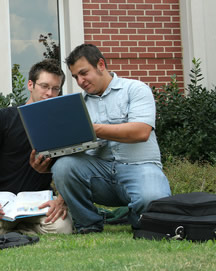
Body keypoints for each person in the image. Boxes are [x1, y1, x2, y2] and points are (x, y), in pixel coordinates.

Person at [30, 44, 171, 234]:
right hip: (101, 174)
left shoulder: (135, 89)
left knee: (152, 200)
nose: (80, 81)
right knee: (63, 165)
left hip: (140, 167)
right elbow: (73, 156)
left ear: (101, 65)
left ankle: (135, 218)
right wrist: (47, 168)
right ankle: (88, 224)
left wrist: (92, 129)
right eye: (75, 77)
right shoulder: (78, 105)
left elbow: (141, 132)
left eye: (84, 73)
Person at [0, 59, 73, 238]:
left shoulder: (62, 123)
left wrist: (61, 201)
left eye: (55, 88)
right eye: (44, 86)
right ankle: (20, 230)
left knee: (63, 228)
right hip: (5, 202)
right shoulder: (4, 117)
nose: (50, 93)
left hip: (40, 203)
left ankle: (15, 231)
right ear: (30, 84)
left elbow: (72, 166)